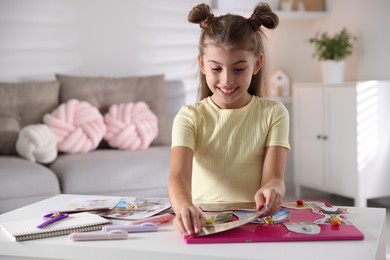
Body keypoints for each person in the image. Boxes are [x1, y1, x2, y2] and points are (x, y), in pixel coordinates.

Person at [168, 2, 291, 236]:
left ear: (257, 63)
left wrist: (273, 189)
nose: (226, 80)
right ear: (203, 64)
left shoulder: (274, 113)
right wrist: (184, 207)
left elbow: (274, 179)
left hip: (255, 223)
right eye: (216, 69)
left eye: (238, 69)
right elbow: (178, 176)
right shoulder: (189, 116)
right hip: (204, 222)